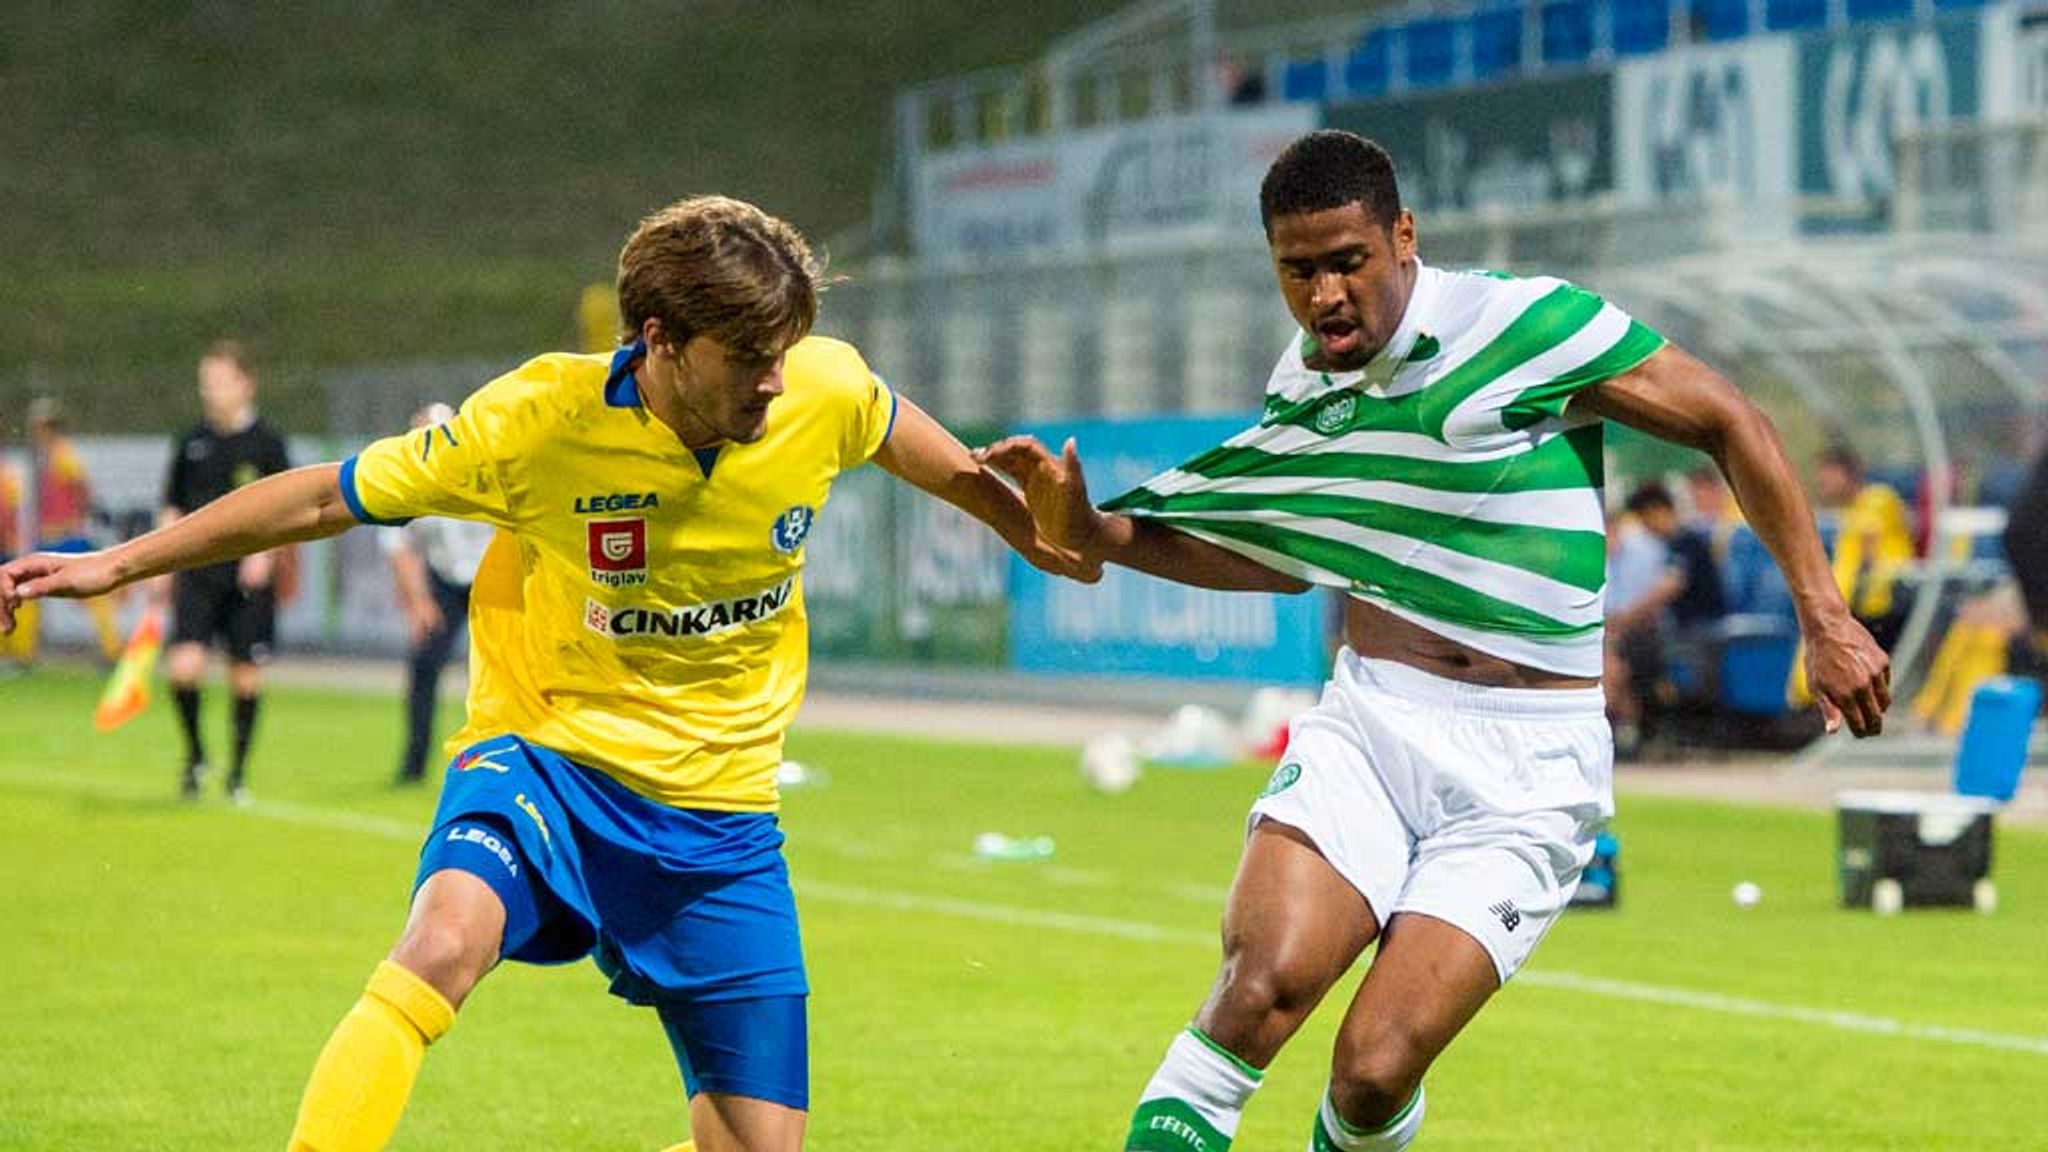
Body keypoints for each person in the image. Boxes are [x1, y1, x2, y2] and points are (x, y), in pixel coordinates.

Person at [1, 195, 1089, 1152]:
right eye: (749, 356)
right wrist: (119, 564)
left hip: (721, 818)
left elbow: (943, 465)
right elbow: (329, 495)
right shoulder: (539, 424)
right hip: (549, 761)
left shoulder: (821, 386)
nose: (774, 378)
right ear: (661, 340)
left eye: (785, 351)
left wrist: (1037, 532)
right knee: (442, 942)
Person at [981, 130, 1889, 1152]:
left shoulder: (1525, 324)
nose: (1325, 296)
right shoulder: (1304, 385)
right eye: (1296, 270)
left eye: (1347, 262)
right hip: (1373, 725)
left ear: (1403, 236)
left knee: (1370, 1074)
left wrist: (1823, 613)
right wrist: (1096, 535)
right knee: (1257, 990)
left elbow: (1728, 419)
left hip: (1528, 764)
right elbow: (1282, 560)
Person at [158, 342, 294, 804]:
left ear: (245, 384)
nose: (209, 391)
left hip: (248, 580)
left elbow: (289, 511)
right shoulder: (192, 441)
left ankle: (237, 774)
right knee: (183, 668)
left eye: (218, 382)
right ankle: (196, 756)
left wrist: (265, 555)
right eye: (205, 383)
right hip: (197, 574)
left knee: (246, 677)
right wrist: (159, 565)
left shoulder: (268, 443)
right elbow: (172, 506)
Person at [382, 402, 498, 785]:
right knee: (424, 664)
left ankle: (504, 759)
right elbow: (400, 547)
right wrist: (418, 601)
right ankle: (413, 764)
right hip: (444, 580)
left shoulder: (484, 473)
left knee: (499, 671)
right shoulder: (411, 484)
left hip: (491, 578)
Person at [14, 397, 124, 665]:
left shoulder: (63, 455)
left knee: (87, 592)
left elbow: (83, 489)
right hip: (54, 536)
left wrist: (76, 519)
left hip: (65, 536)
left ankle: (111, 650)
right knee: (30, 591)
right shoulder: (48, 456)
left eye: (40, 426)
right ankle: (23, 652)